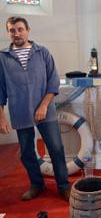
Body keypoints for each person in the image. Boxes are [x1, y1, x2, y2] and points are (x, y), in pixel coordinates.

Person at [0, 16, 70, 201]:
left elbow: (53, 82)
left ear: (28, 30)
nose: (17, 33)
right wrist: (1, 118)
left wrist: (44, 105)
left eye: (20, 29)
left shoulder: (42, 52)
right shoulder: (3, 58)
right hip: (20, 112)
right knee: (26, 151)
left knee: (56, 148)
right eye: (12, 30)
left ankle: (63, 185)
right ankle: (37, 184)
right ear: (8, 33)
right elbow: (0, 90)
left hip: (45, 111)